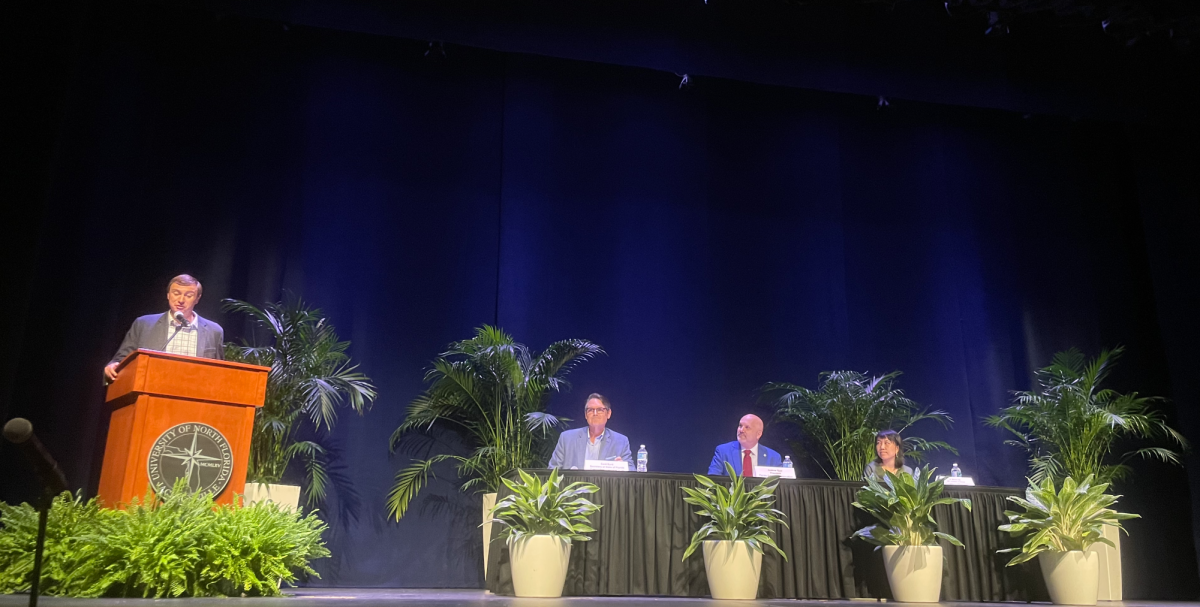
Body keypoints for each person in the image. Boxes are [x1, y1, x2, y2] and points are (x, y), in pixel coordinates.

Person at [103, 274, 225, 382]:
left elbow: (219, 372)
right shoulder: (144, 324)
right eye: (176, 293)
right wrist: (114, 366)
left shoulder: (214, 331)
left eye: (188, 295)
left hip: (196, 395)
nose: (181, 300)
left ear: (197, 299)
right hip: (152, 390)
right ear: (168, 295)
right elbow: (121, 359)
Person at [548, 393, 632, 470]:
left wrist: (623, 468)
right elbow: (552, 472)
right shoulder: (567, 439)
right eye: (590, 410)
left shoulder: (621, 441)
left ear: (608, 413)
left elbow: (633, 474)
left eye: (600, 410)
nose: (595, 413)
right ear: (585, 415)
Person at [708, 414, 783, 476]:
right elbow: (713, 480)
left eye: (747, 427)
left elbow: (781, 486)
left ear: (758, 434)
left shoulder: (774, 457)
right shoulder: (723, 451)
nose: (741, 430)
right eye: (740, 426)